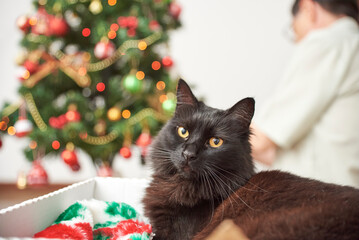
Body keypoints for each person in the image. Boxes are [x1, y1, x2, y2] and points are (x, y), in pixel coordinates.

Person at [251, 0, 359, 187]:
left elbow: (261, 140)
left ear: (308, 7)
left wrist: (200, 137)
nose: (298, 41)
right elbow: (285, 154)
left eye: (294, 30)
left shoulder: (328, 42)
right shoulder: (351, 43)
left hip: (322, 202)